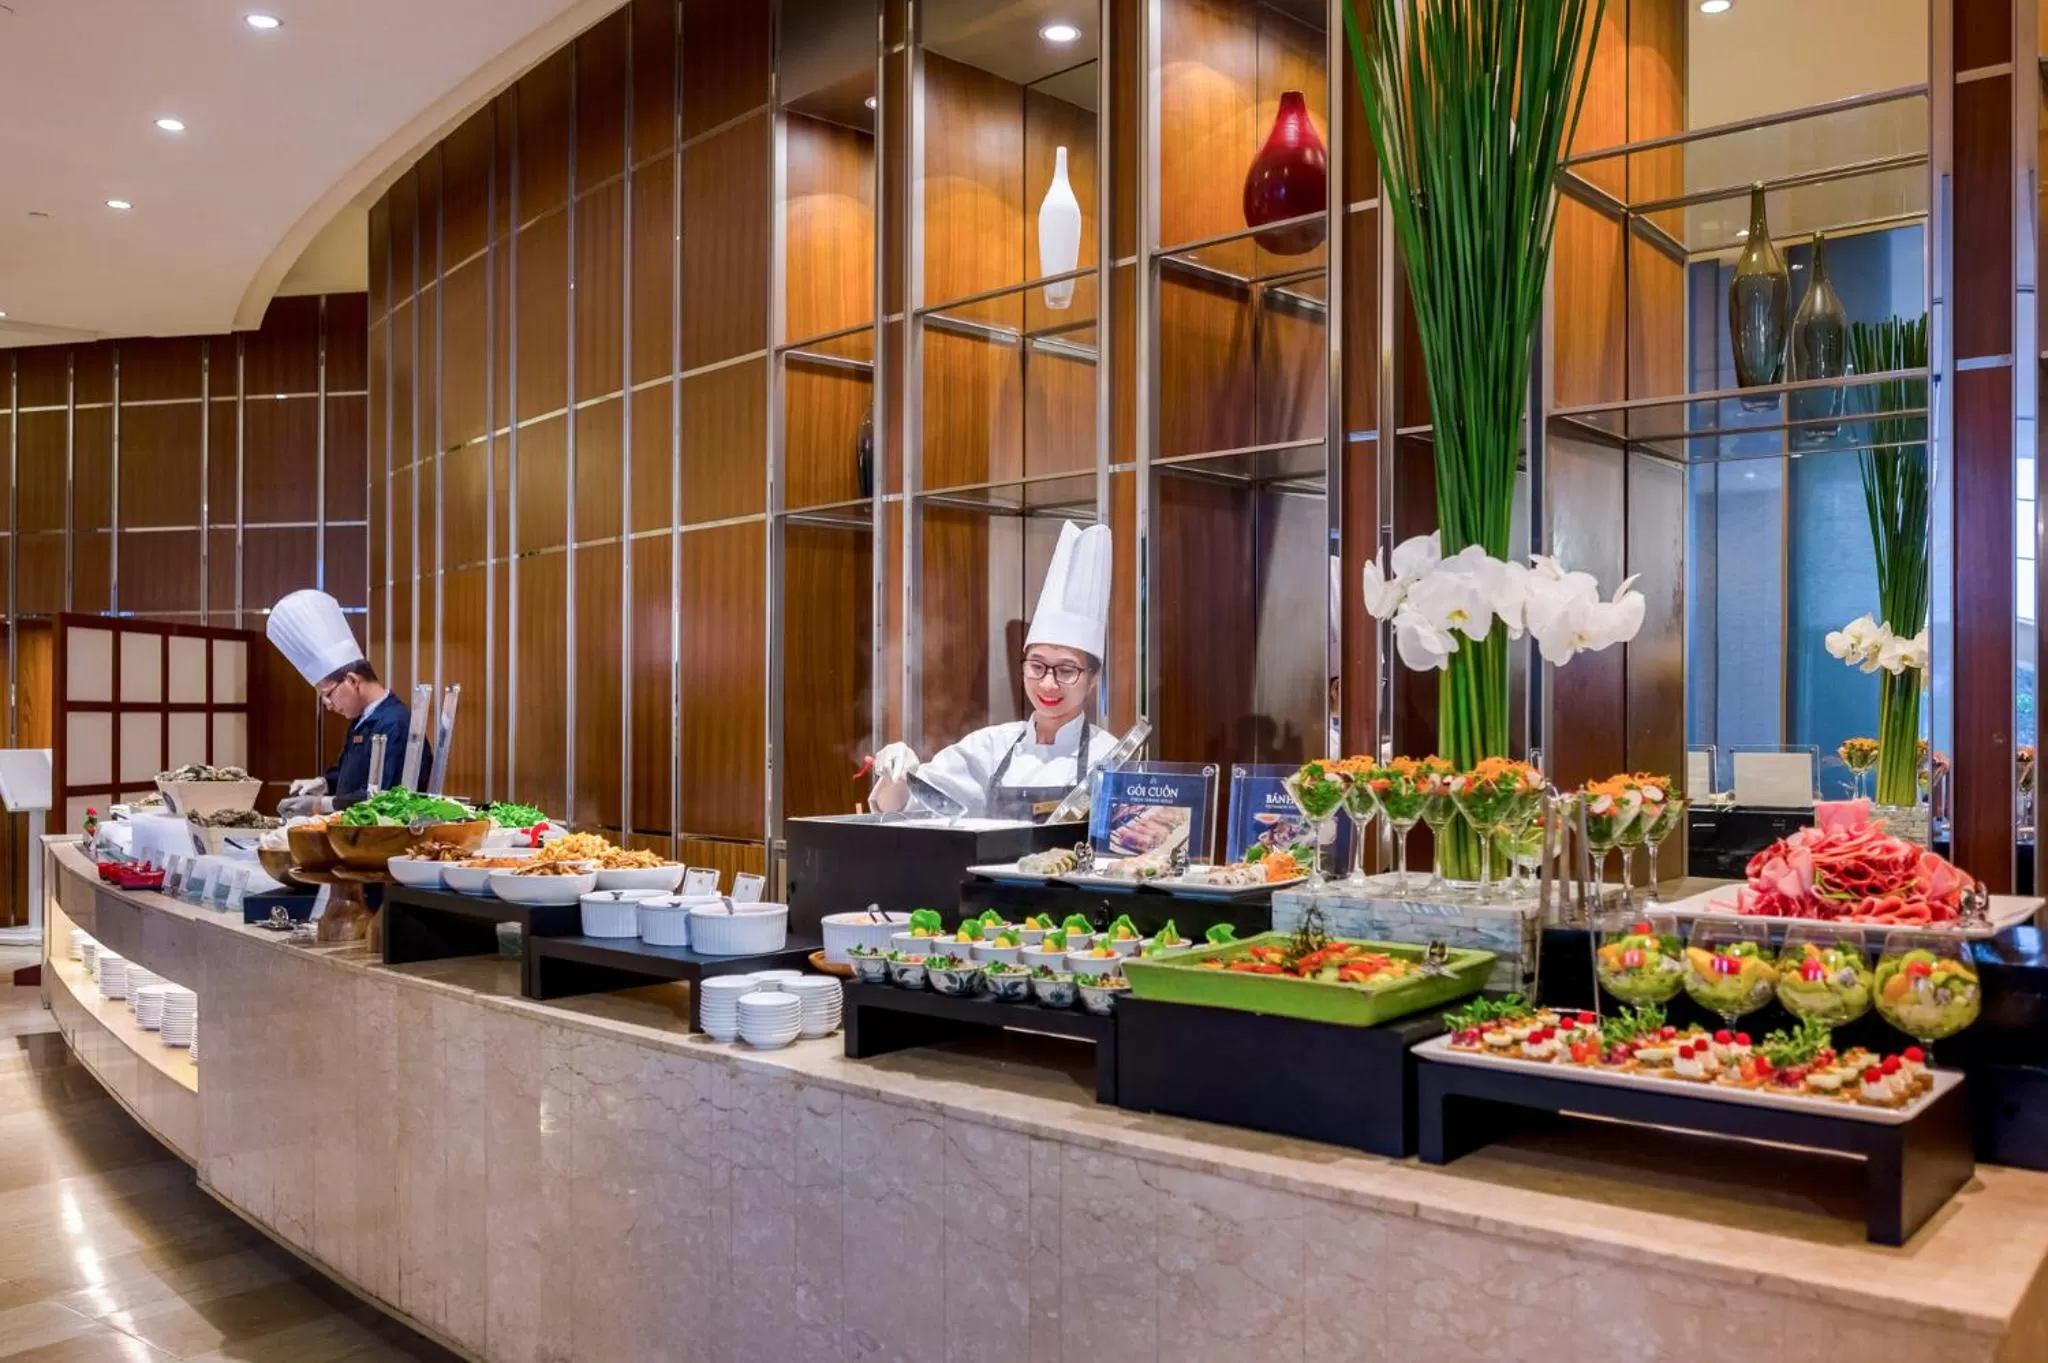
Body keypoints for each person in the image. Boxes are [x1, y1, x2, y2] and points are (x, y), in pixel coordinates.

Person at [870, 521, 1119, 821]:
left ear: (1093, 679)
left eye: (1066, 670)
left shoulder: (1109, 756)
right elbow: (903, 808)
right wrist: (896, 775)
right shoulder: (990, 748)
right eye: (1037, 666)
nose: (1048, 684)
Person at [265, 590, 427, 816]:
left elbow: (385, 796)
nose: (328, 705)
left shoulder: (395, 723)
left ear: (352, 680)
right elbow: (348, 773)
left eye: (328, 694)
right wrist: (323, 782)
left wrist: (319, 805)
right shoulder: (362, 718)